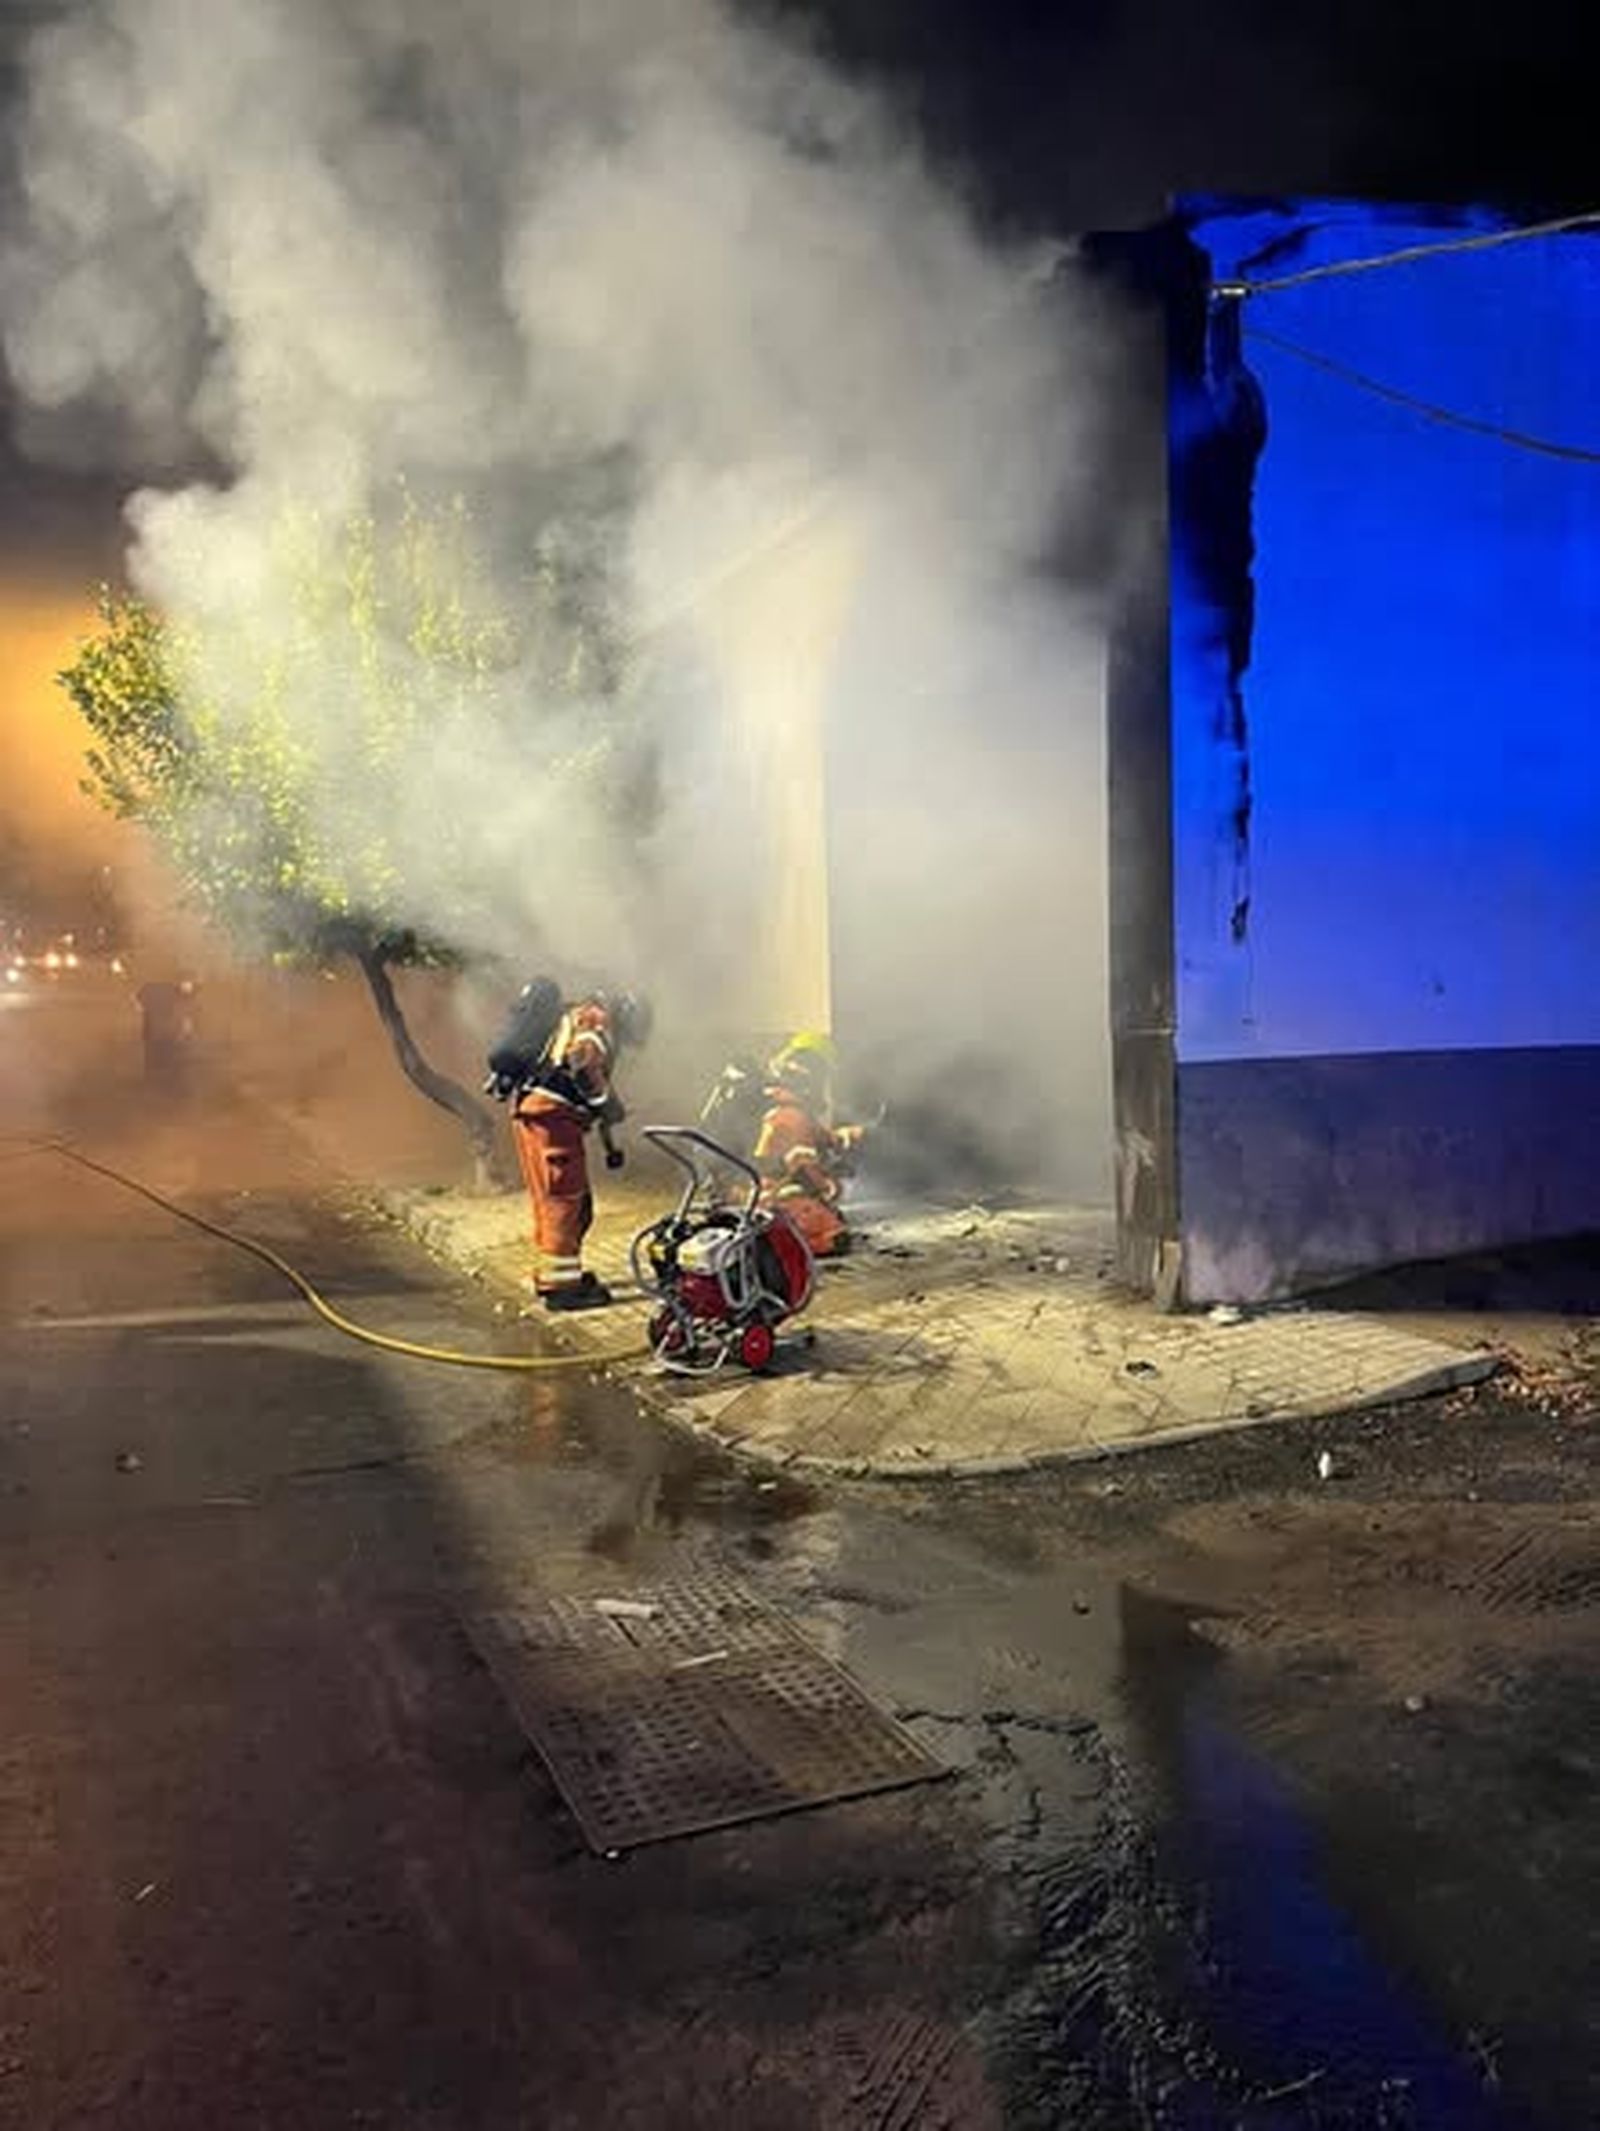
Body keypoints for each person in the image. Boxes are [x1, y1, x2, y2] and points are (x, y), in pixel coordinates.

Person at [509, 988, 652, 1310]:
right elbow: (581, 1064)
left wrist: (605, 1120)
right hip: (553, 1121)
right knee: (566, 1200)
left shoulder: (575, 1015)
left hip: (537, 1115)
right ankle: (563, 1290)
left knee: (552, 1200)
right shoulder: (596, 1024)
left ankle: (556, 1275)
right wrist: (608, 1104)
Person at [752, 1032, 867, 1260]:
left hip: (762, 1186)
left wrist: (842, 1136)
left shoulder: (783, 1107)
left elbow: (816, 1136)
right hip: (766, 1195)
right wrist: (828, 1186)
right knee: (834, 1236)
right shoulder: (791, 1116)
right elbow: (805, 1164)